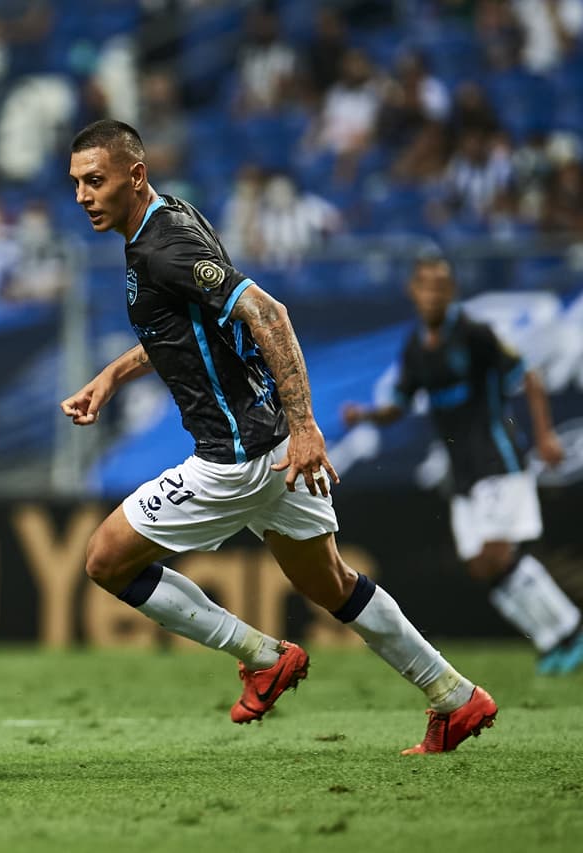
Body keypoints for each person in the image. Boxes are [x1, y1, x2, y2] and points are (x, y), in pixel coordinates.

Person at [62, 119, 496, 755]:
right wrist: (113, 375)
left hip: (236, 456)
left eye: (95, 181)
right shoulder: (170, 220)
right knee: (332, 585)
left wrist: (308, 428)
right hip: (271, 450)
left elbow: (269, 314)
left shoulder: (163, 248)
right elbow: (187, 331)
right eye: (75, 184)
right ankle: (456, 697)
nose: (82, 196)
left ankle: (263, 657)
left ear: (135, 176)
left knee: (106, 559)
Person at [342, 255, 583, 674]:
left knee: (495, 554)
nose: (433, 293)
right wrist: (364, 416)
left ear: (450, 292)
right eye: (425, 285)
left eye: (441, 286)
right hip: (461, 472)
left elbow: (529, 376)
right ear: (413, 292)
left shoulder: (475, 334)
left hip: (497, 459)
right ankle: (552, 641)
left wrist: (544, 436)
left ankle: (570, 630)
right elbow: (397, 406)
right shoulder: (417, 347)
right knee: (479, 565)